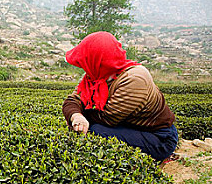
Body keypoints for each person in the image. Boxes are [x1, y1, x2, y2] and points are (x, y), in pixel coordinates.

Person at [62, 31, 178, 162]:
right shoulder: (96, 76)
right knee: (83, 126)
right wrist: (76, 115)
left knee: (95, 131)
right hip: (130, 127)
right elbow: (72, 100)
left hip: (158, 138)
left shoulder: (134, 79)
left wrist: (81, 113)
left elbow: (108, 119)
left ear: (97, 60)